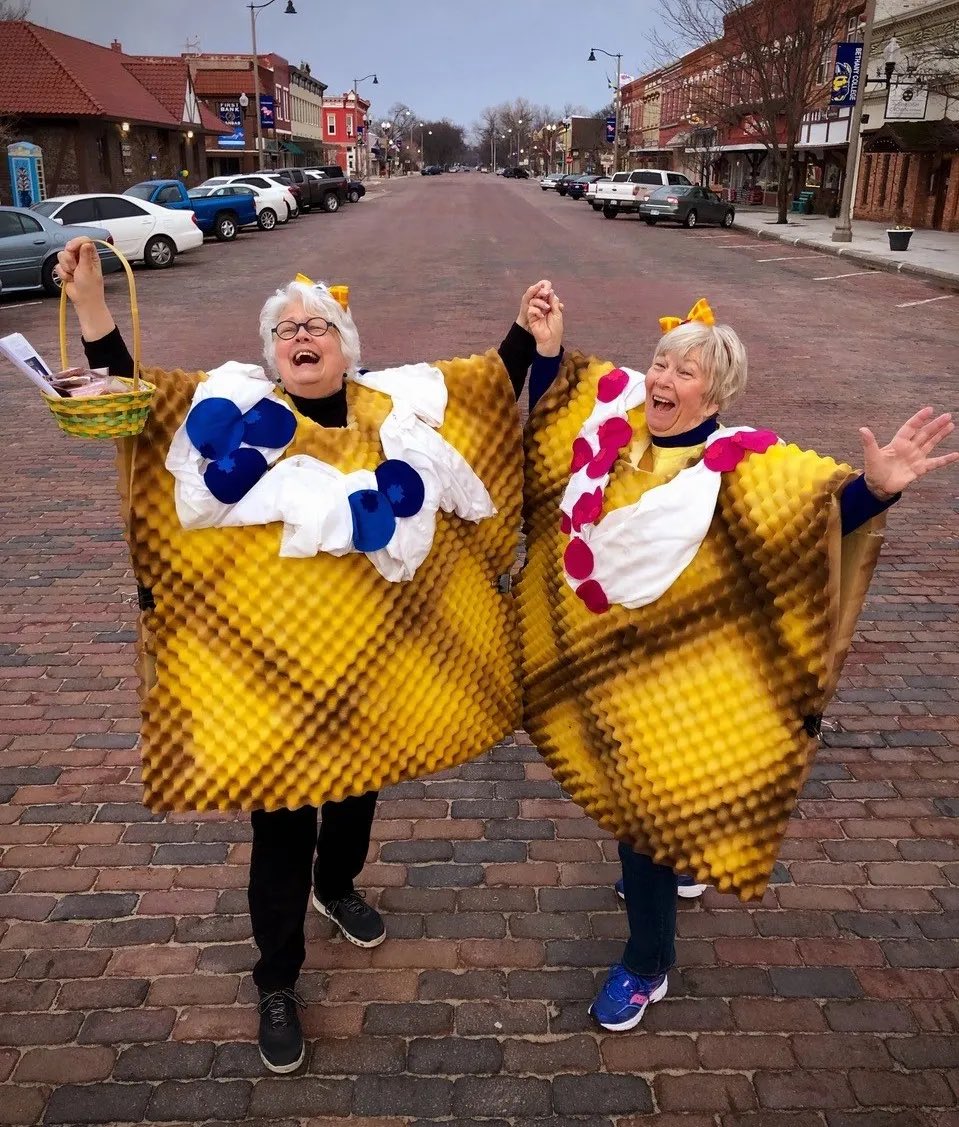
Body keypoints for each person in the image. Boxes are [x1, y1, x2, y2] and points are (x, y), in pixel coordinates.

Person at [55, 237, 554, 1072]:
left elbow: (474, 386)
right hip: (274, 679)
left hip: (368, 666)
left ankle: (340, 883)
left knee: (358, 791)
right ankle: (276, 978)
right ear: (272, 352)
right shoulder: (233, 402)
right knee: (282, 826)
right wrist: (94, 310)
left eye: (318, 323)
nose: (301, 334)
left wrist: (522, 330)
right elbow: (135, 398)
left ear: (347, 347)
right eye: (286, 327)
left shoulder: (393, 406)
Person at [521, 293, 957, 1033]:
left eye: (684, 371)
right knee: (649, 811)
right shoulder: (618, 431)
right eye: (660, 361)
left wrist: (874, 488)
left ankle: (646, 963)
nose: (662, 377)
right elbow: (560, 417)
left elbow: (813, 515)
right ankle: (674, 863)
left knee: (642, 814)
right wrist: (546, 352)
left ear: (714, 392)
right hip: (614, 662)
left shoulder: (742, 463)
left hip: (695, 670)